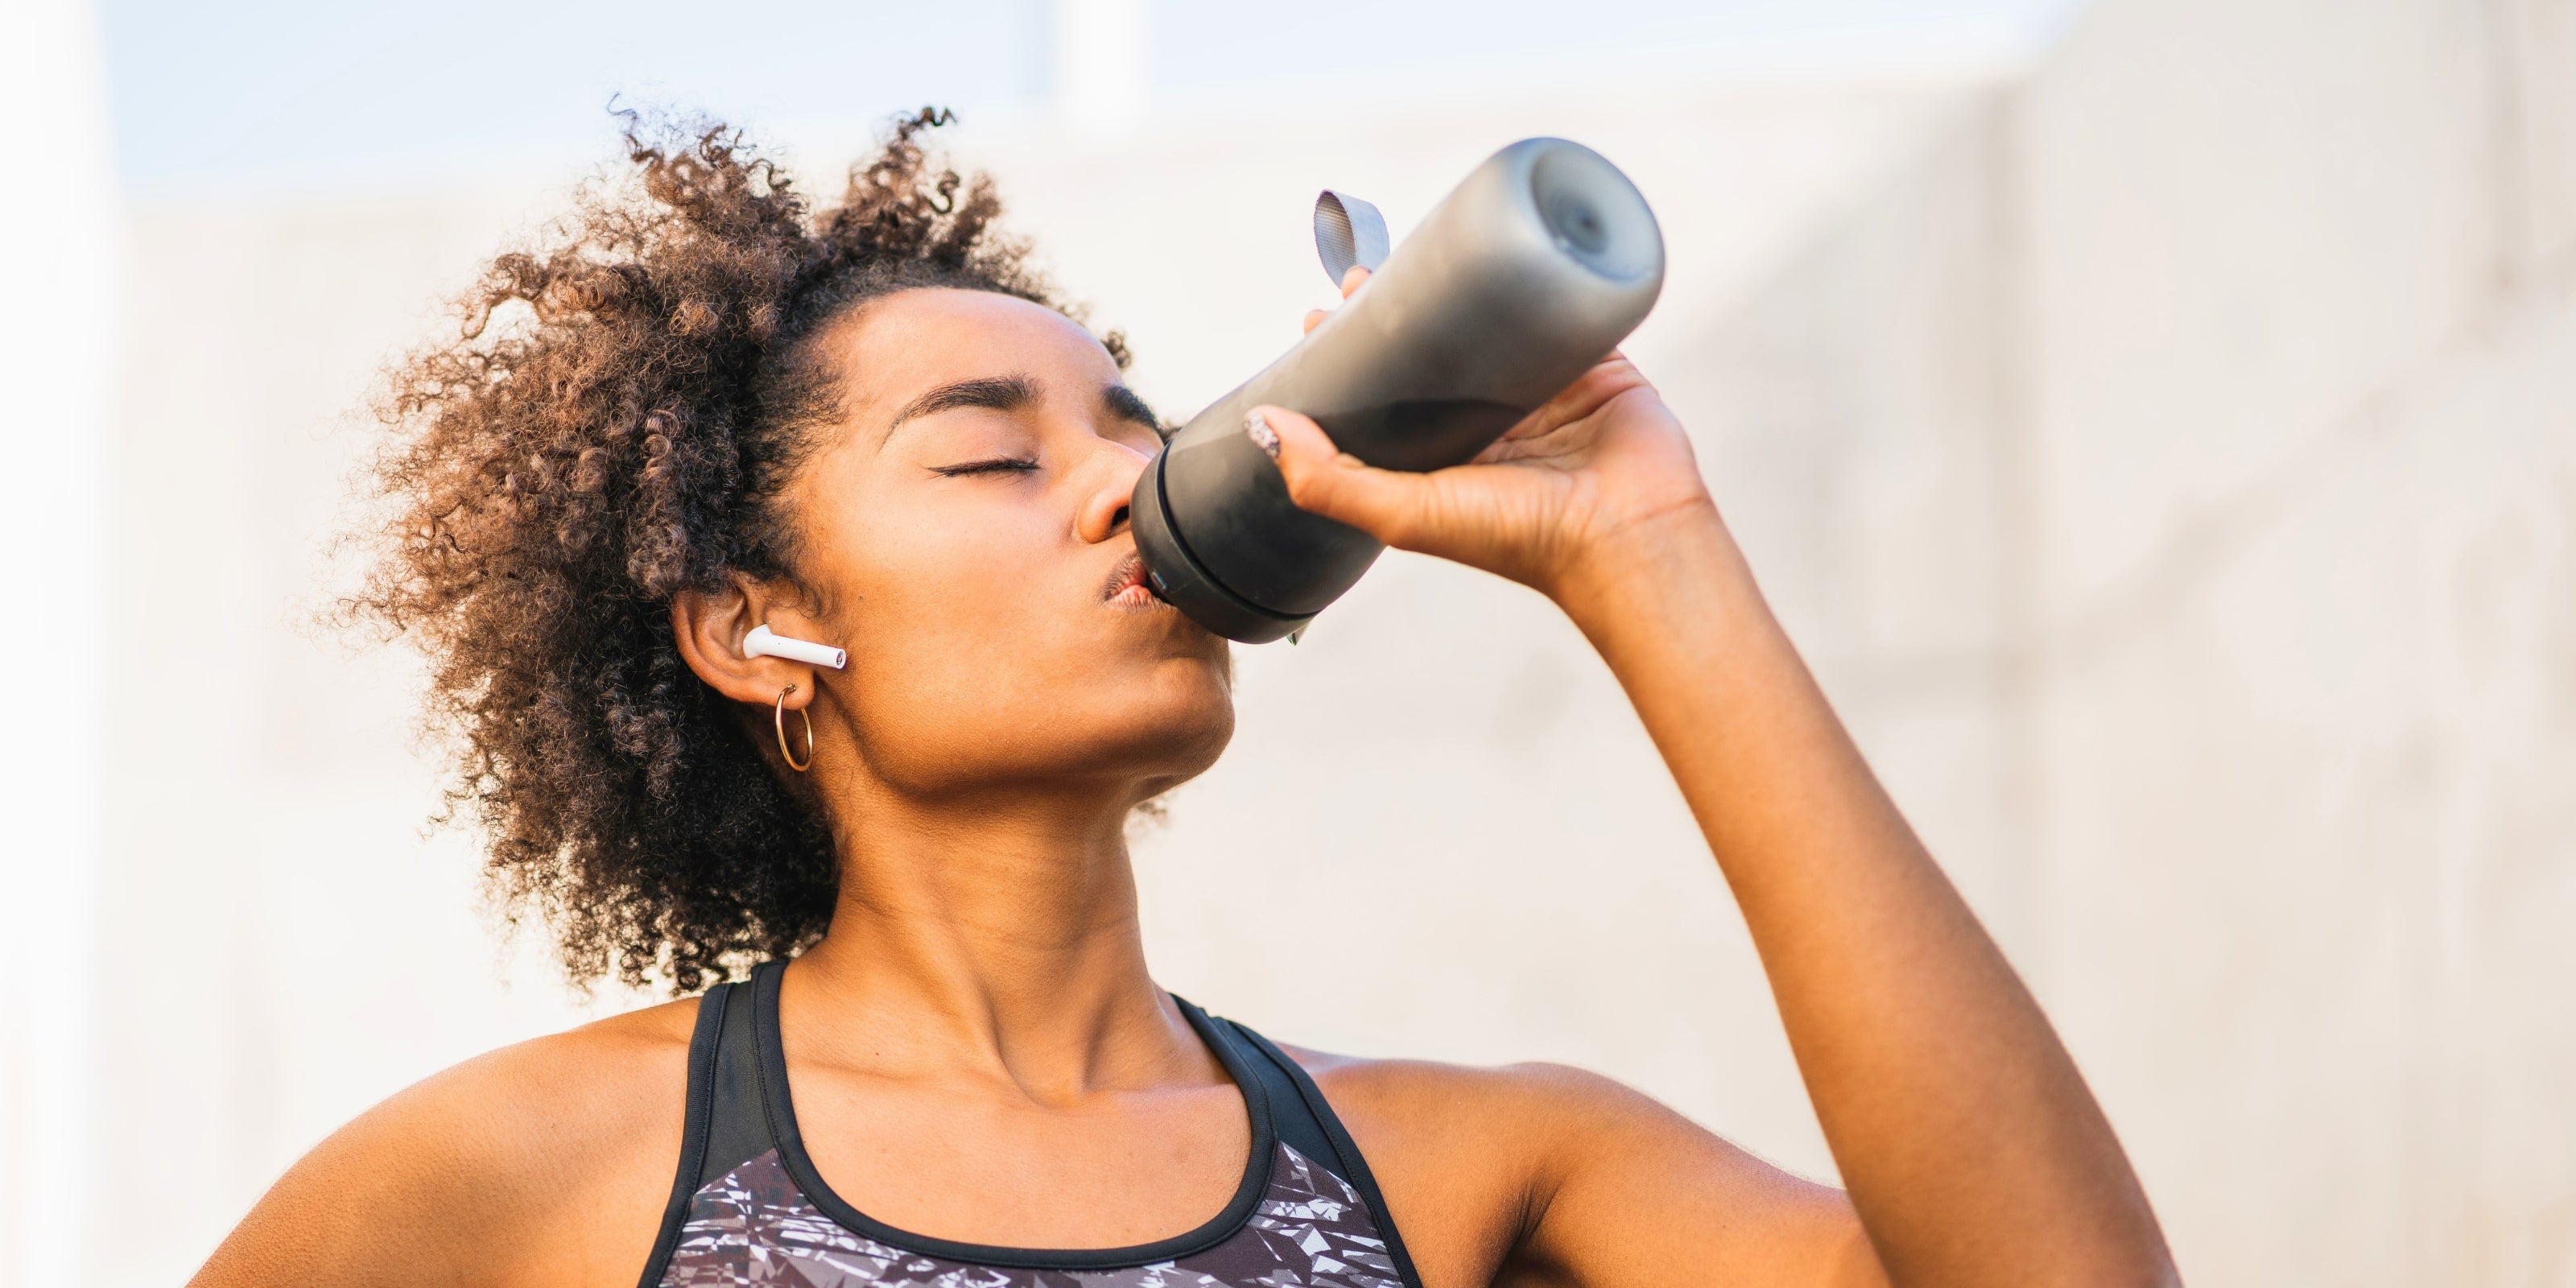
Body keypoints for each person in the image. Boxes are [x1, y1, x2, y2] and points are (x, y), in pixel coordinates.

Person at [190, 111, 2176, 1288]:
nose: (1124, 483)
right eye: (990, 454)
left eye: (1138, 431)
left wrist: (1649, 553)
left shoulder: (1467, 1169)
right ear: (755, 627)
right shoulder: (520, 1176)